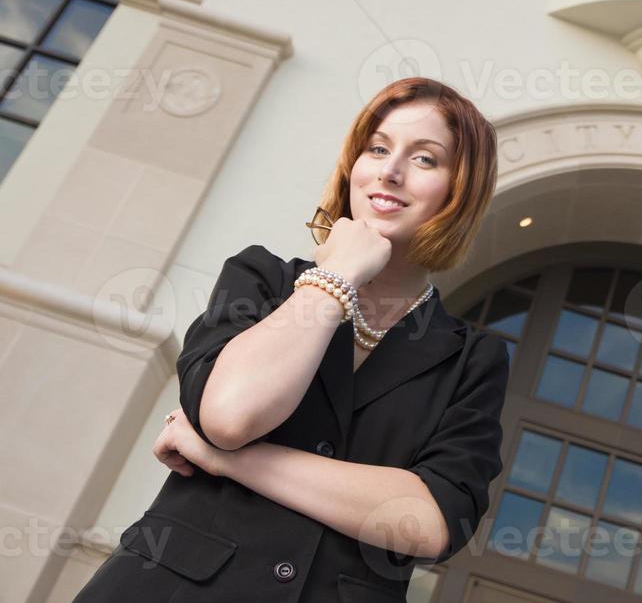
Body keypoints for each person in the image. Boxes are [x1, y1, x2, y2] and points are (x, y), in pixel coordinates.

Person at [75, 77, 509, 602]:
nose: (389, 172)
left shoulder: (472, 359)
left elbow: (428, 521)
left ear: (460, 191)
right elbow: (231, 417)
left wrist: (227, 460)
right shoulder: (262, 280)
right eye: (377, 148)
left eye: (424, 159)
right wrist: (335, 280)